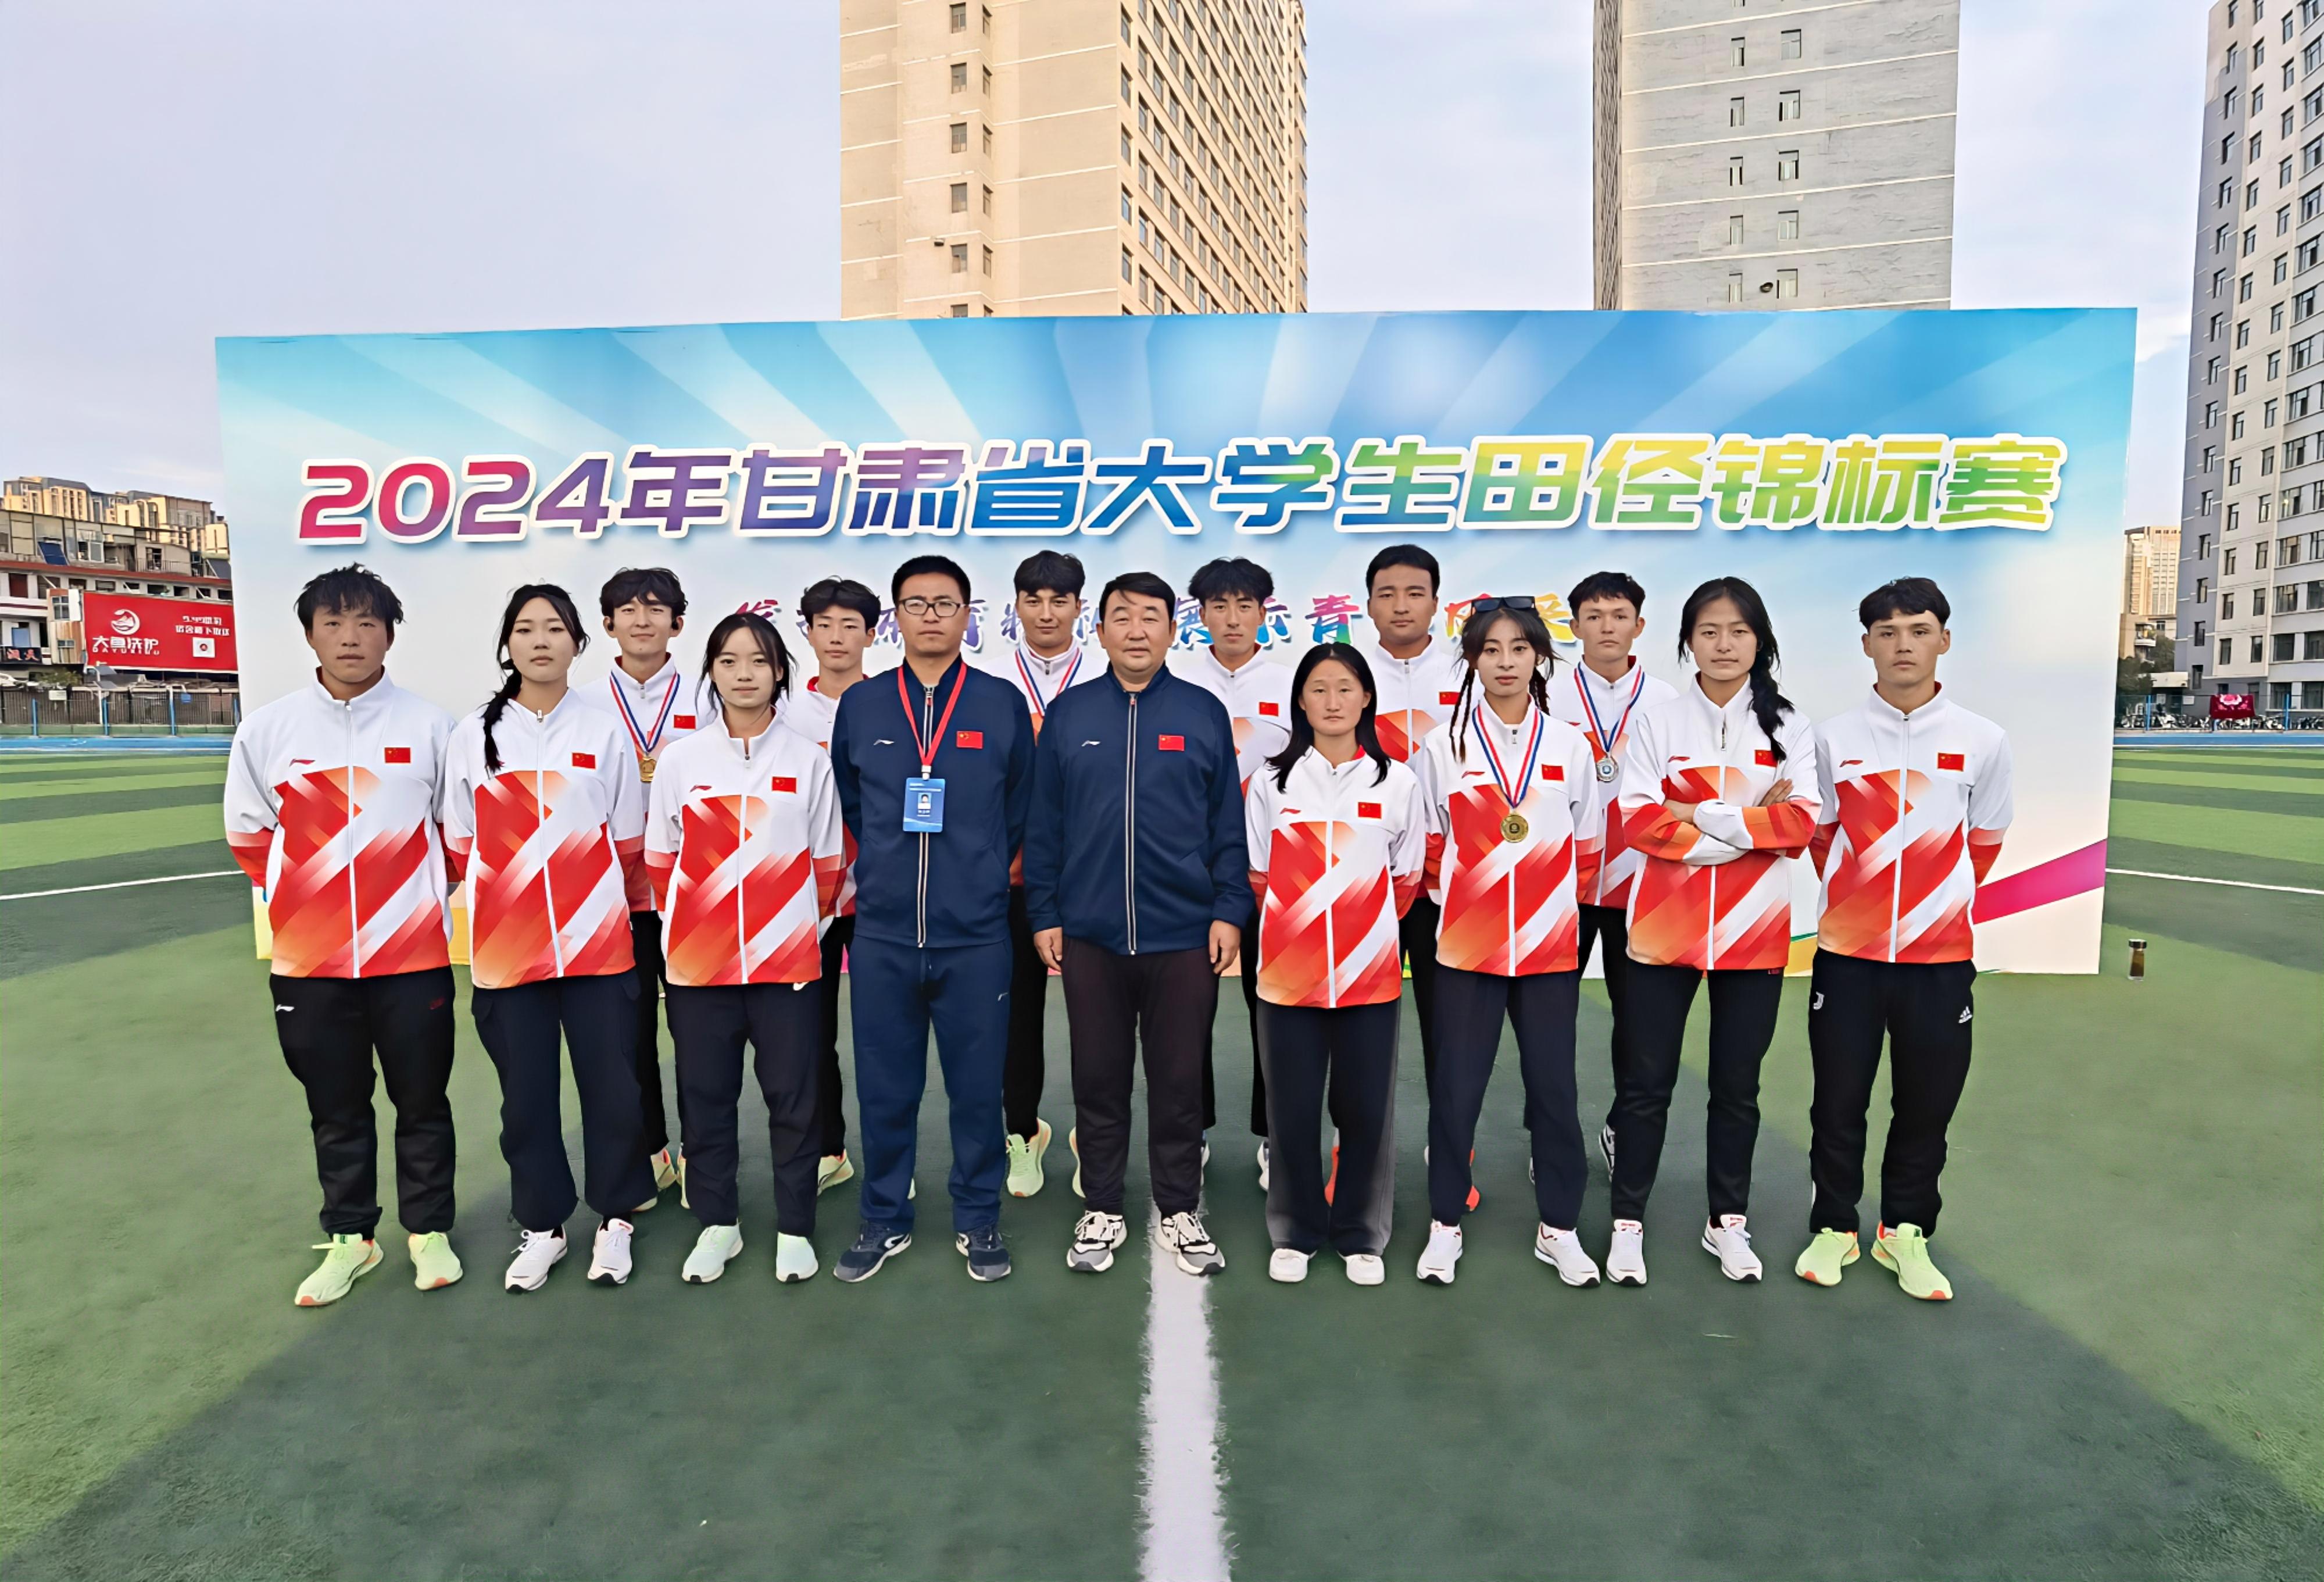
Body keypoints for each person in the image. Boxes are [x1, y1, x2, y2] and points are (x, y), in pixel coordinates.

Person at [225, 564, 462, 1306]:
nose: (350, 637)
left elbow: (456, 838)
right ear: (310, 636)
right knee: (335, 1107)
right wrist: (312, 907)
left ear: (389, 634)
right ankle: (351, 1238)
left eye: (365, 622)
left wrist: (409, 904)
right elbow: (249, 834)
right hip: (310, 965)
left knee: (422, 1102)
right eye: (333, 623)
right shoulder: (269, 730)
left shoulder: (432, 728)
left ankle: (428, 1232)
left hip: (413, 959)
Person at [1023, 572, 1249, 1277]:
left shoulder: (1201, 712)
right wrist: (1044, 913)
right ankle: (1102, 1206)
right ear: (1099, 631)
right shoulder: (1069, 715)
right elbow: (1044, 825)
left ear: (1172, 631)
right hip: (1089, 938)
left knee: (1178, 1081)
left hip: (1183, 936)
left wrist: (1228, 909)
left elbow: (1226, 824)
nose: (1135, 630)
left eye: (1151, 616)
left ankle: (1179, 1208)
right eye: (1120, 616)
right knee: (1098, 1079)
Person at [1797, 578, 2012, 1301]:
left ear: (1943, 640)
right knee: (1837, 1102)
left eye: (1918, 631)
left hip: (1939, 963)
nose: (1902, 646)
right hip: (1847, 960)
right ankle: (1834, 1227)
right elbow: (1820, 837)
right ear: (1866, 645)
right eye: (1886, 633)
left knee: (1926, 1105)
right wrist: (1860, 906)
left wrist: (1929, 910)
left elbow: (1984, 842)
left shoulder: (1982, 740)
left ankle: (1904, 1231)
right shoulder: (1831, 739)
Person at [441, 583, 655, 1291]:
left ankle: (616, 1219)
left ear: (577, 643)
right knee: (526, 1100)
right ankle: (543, 1227)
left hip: (599, 950)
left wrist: (587, 906)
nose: (540, 641)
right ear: (508, 643)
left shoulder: (603, 731)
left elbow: (627, 842)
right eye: (526, 628)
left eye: (555, 628)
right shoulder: (472, 736)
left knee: (613, 1094)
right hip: (507, 956)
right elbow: (461, 840)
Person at [828, 555, 1034, 1283]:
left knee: (977, 1090)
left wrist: (978, 869)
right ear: (895, 619)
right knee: (885, 1089)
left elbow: (1018, 808)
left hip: (975, 935)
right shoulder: (863, 705)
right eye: (915, 604)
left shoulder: (1000, 703)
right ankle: (884, 1216)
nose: (931, 617)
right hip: (883, 935)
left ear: (966, 616)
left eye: (945, 604)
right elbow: (854, 804)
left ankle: (978, 1218)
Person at [1606, 577, 1818, 1287]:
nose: (1723, 645)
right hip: (1661, 934)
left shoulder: (1790, 727)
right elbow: (1638, 822)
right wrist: (1747, 828)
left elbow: (1799, 826)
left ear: (1760, 642)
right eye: (1707, 631)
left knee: (1736, 1089)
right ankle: (1626, 1223)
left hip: (1754, 937)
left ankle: (1726, 1221)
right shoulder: (1658, 723)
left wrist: (1694, 814)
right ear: (1687, 642)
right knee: (1644, 1087)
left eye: (1737, 631)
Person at [645, 612, 846, 1285]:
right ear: (711, 672)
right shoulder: (681, 761)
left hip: (788, 967)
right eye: (728, 662)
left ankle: (795, 1227)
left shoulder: (807, 760)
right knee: (705, 1098)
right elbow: (661, 862)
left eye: (758, 661)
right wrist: (694, 935)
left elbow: (827, 866)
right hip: (699, 969)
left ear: (779, 672)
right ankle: (717, 1224)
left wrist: (789, 932)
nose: (743, 675)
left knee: (794, 1099)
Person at [1409, 598, 1606, 1288]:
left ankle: (1559, 1229)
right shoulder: (1443, 747)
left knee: (1553, 1090)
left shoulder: (1569, 746)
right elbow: (1428, 847)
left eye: (1518, 649)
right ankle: (1443, 1224)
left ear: (1538, 658)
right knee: (1455, 1091)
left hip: (1548, 951)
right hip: (1468, 951)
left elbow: (1587, 849)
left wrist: (1546, 914)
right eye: (1489, 650)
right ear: (1471, 660)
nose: (1504, 663)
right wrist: (1472, 908)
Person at [1243, 643, 1426, 1285]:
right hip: (1286, 979)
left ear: (1366, 698)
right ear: (1300, 700)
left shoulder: (1397, 782)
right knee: (1291, 1111)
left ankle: (1360, 1233)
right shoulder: (1272, 782)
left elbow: (1406, 879)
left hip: (1369, 979)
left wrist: (1357, 935)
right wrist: (1301, 934)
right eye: (1318, 689)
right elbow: (1259, 876)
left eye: (1345, 688)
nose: (1332, 701)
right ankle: (1294, 1231)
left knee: (1366, 1110)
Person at [573, 567, 713, 1210]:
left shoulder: (711, 699)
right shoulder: (581, 707)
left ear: (677, 624)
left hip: (695, 899)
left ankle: (700, 1154)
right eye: (627, 609)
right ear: (607, 625)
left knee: (699, 1036)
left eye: (656, 608)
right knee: (626, 1037)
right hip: (612, 902)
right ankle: (651, 1151)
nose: (641, 619)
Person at [1545, 570, 1676, 1178]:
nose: (1606, 627)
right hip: (1561, 887)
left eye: (1619, 616)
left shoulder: (1667, 702)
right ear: (1573, 626)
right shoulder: (1546, 693)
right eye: (1593, 616)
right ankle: (1549, 1136)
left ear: (1639, 626)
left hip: (1641, 886)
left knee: (1639, 1022)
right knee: (1549, 1022)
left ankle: (1623, 1126)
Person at [986, 550, 1098, 1198]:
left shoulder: (1107, 678)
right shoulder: (989, 681)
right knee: (1015, 1019)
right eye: (1034, 600)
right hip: (1012, 883)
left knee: (1096, 1023)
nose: (1047, 612)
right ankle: (1022, 1132)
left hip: (1092, 880)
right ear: (1017, 606)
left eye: (1060, 600)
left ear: (1080, 607)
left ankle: (1093, 1135)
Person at [1182, 556, 1293, 1191]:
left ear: (1262, 612)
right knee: (1185, 1010)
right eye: (1219, 606)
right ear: (1200, 615)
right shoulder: (1175, 679)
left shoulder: (1292, 682)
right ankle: (1189, 1132)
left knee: (1271, 1007)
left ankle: (1275, 1133)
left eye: (1244, 606)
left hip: (1271, 874)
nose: (1232, 619)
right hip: (1187, 872)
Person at [1358, 545, 1464, 1106]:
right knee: (1360, 1022)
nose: (1401, 606)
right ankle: (1356, 1142)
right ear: (1368, 605)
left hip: (1448, 882)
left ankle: (1451, 1144)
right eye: (1388, 594)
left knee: (1448, 1026)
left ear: (1437, 603)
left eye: (1415, 593)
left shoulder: (1469, 674)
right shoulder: (1346, 676)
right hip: (1365, 877)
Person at [786, 576, 882, 1197]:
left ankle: (888, 1161)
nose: (837, 637)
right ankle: (829, 1149)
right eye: (825, 625)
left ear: (872, 634)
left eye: (851, 625)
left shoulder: (894, 705)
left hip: (877, 893)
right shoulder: (783, 713)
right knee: (809, 1033)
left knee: (882, 1035)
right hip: (803, 899)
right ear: (809, 633)